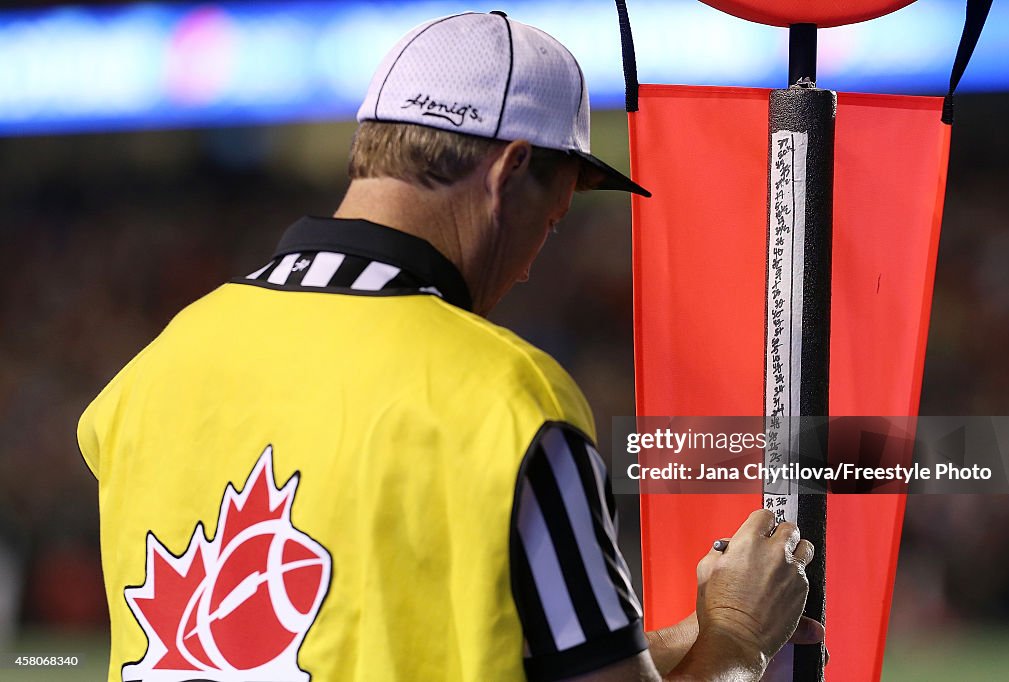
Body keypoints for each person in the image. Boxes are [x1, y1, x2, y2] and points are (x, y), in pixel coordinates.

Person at [78, 11, 823, 682]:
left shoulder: (149, 373)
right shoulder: (506, 400)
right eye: (553, 221)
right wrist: (736, 638)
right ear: (511, 171)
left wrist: (655, 640)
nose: (534, 261)